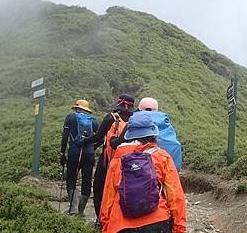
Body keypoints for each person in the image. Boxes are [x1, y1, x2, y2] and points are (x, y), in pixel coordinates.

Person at [80, 94, 135, 222]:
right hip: (128, 161)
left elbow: (98, 137)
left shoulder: (111, 117)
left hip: (108, 160)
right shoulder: (135, 120)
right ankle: (118, 219)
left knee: (100, 188)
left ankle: (101, 219)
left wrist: (84, 141)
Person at [111, 97, 183, 171]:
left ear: (139, 109)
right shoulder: (165, 123)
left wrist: (112, 139)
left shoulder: (134, 121)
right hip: (166, 169)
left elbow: (117, 143)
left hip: (138, 171)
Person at [60, 99, 99, 215]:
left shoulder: (70, 118)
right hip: (89, 154)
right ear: (86, 110)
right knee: (86, 181)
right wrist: (93, 147)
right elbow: (101, 137)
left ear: (77, 108)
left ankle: (73, 209)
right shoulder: (93, 121)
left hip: (74, 153)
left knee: (71, 179)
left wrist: (62, 153)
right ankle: (81, 211)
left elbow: (65, 136)